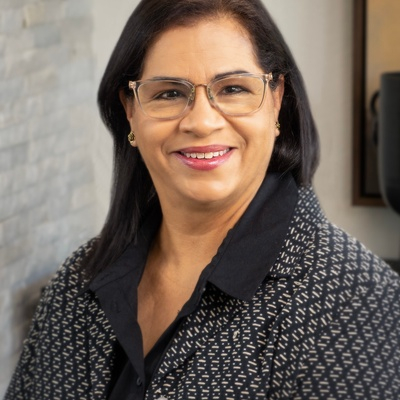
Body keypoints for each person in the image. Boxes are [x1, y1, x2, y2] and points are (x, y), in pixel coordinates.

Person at [6, 0, 400, 398]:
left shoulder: (355, 302)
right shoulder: (78, 283)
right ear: (130, 111)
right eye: (168, 93)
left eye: (233, 89)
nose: (201, 122)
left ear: (276, 99)